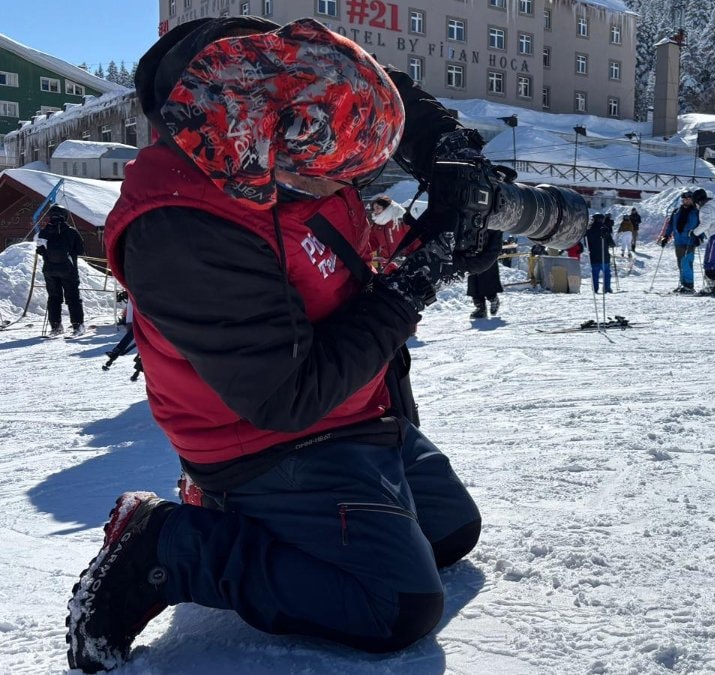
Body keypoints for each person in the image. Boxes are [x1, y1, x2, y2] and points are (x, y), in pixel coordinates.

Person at [66, 17, 497, 673]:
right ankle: (170, 546)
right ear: (279, 150)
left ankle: (262, 520)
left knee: (451, 533)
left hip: (355, 410)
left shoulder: (275, 90)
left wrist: (451, 165)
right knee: (396, 604)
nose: (352, 187)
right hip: (262, 436)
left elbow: (372, 104)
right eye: (344, 175)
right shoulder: (183, 227)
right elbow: (285, 395)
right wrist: (421, 279)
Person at [36, 205, 86, 336]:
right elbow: (81, 250)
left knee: (53, 298)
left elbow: (40, 250)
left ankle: (55, 327)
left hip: (49, 270)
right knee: (73, 297)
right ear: (65, 216)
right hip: (68, 269)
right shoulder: (71, 231)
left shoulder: (43, 232)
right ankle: (77, 326)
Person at [657, 190, 704, 293]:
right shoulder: (676, 212)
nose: (686, 201)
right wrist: (665, 237)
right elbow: (670, 226)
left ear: (692, 200)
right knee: (680, 264)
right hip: (678, 241)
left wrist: (700, 237)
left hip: (690, 240)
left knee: (687, 263)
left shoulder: (697, 212)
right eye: (684, 199)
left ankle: (689, 286)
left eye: (688, 199)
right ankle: (683, 284)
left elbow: (702, 225)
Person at [584, 212, 615, 293]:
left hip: (594, 256)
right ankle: (607, 288)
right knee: (606, 273)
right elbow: (611, 243)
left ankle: (595, 289)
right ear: (601, 219)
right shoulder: (604, 229)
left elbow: (586, 244)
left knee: (595, 273)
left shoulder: (589, 231)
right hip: (604, 256)